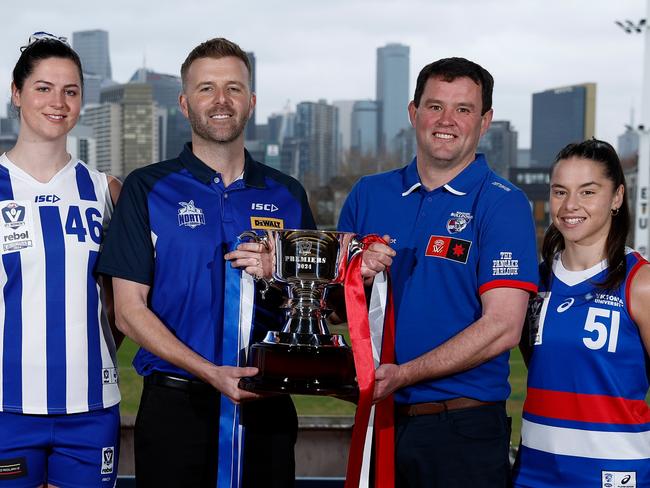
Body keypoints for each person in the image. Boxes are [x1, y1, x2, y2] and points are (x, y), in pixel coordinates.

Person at [96, 37, 315, 487]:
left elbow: (317, 305)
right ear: (184, 102)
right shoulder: (147, 188)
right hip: (177, 406)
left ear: (251, 102)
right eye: (206, 88)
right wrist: (210, 372)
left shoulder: (287, 193)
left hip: (267, 402)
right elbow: (128, 310)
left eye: (233, 88)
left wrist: (282, 274)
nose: (221, 101)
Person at [338, 57, 538, 487]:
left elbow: (503, 327)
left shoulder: (503, 203)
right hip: (378, 421)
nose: (446, 120)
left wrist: (404, 375)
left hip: (461, 429)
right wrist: (358, 280)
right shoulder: (368, 194)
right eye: (434, 106)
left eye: (463, 109)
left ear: (485, 122)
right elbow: (335, 312)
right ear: (413, 113)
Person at [0, 32, 122, 488]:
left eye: (70, 90)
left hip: (91, 410)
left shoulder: (106, 191)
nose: (58, 102)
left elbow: (122, 301)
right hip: (6, 408)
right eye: (43, 88)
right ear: (16, 92)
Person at [512, 139, 650, 487]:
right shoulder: (534, 281)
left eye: (588, 192)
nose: (570, 205)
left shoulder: (640, 282)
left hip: (615, 472)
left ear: (617, 197)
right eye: (560, 192)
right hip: (534, 471)